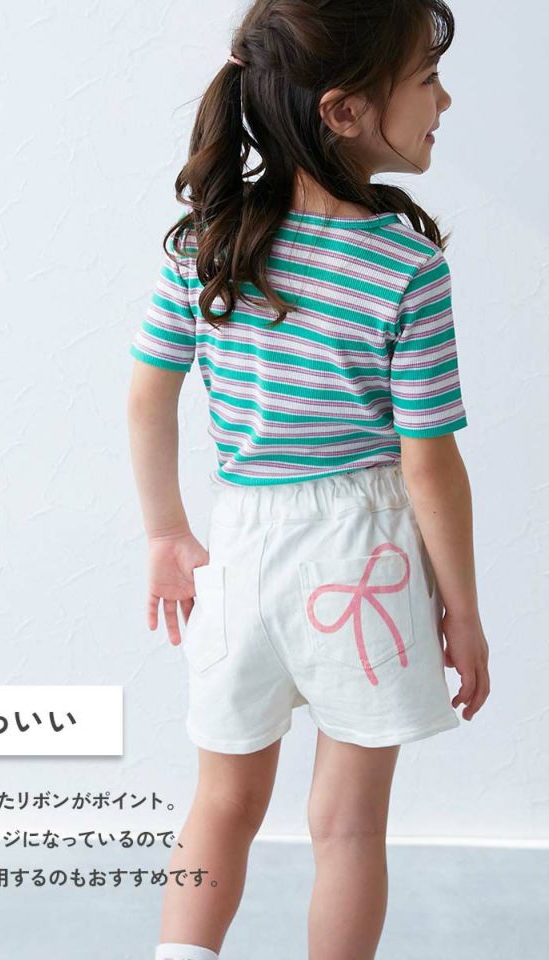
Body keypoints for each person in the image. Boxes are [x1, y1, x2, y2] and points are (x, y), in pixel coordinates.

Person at [127, 2, 490, 959]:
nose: (445, 101)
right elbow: (430, 463)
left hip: (241, 547)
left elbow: (148, 396)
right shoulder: (406, 266)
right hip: (364, 558)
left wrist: (165, 533)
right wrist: (462, 611)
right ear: (344, 110)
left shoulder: (207, 241)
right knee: (348, 825)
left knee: (221, 802)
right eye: (427, 79)